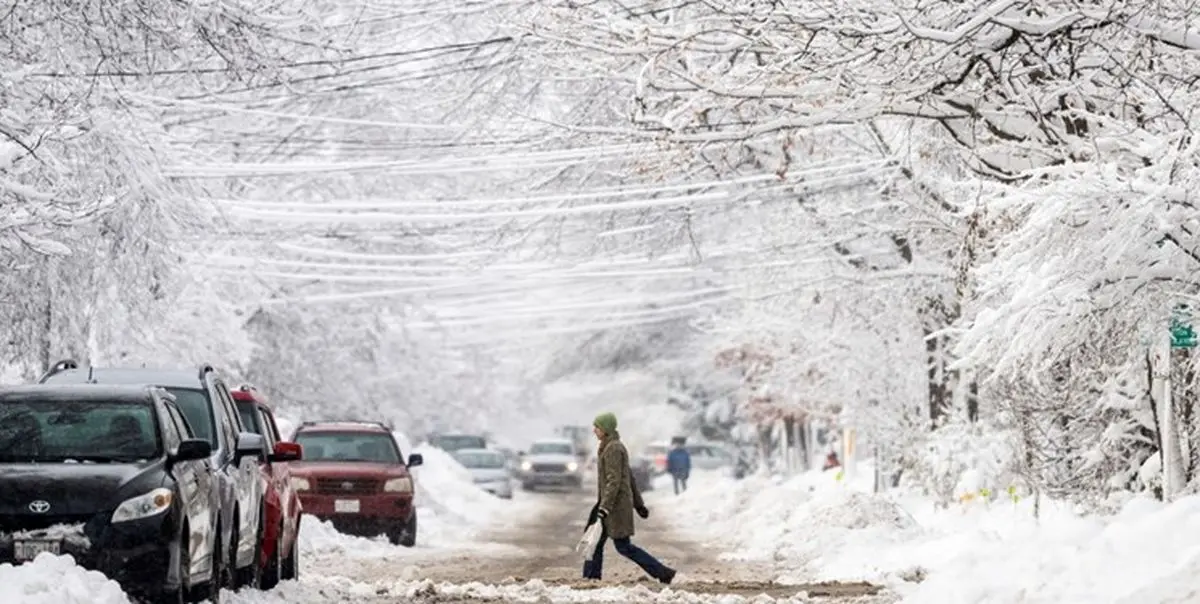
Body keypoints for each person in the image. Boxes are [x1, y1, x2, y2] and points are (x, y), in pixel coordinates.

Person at [582, 412, 676, 584]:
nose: (594, 430)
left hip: (614, 506)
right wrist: (639, 504)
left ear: (606, 429)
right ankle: (590, 577)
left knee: (623, 546)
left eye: (597, 427)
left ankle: (663, 572)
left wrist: (605, 508)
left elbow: (615, 480)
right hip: (609, 503)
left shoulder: (613, 449)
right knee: (595, 541)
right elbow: (629, 477)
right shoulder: (609, 446)